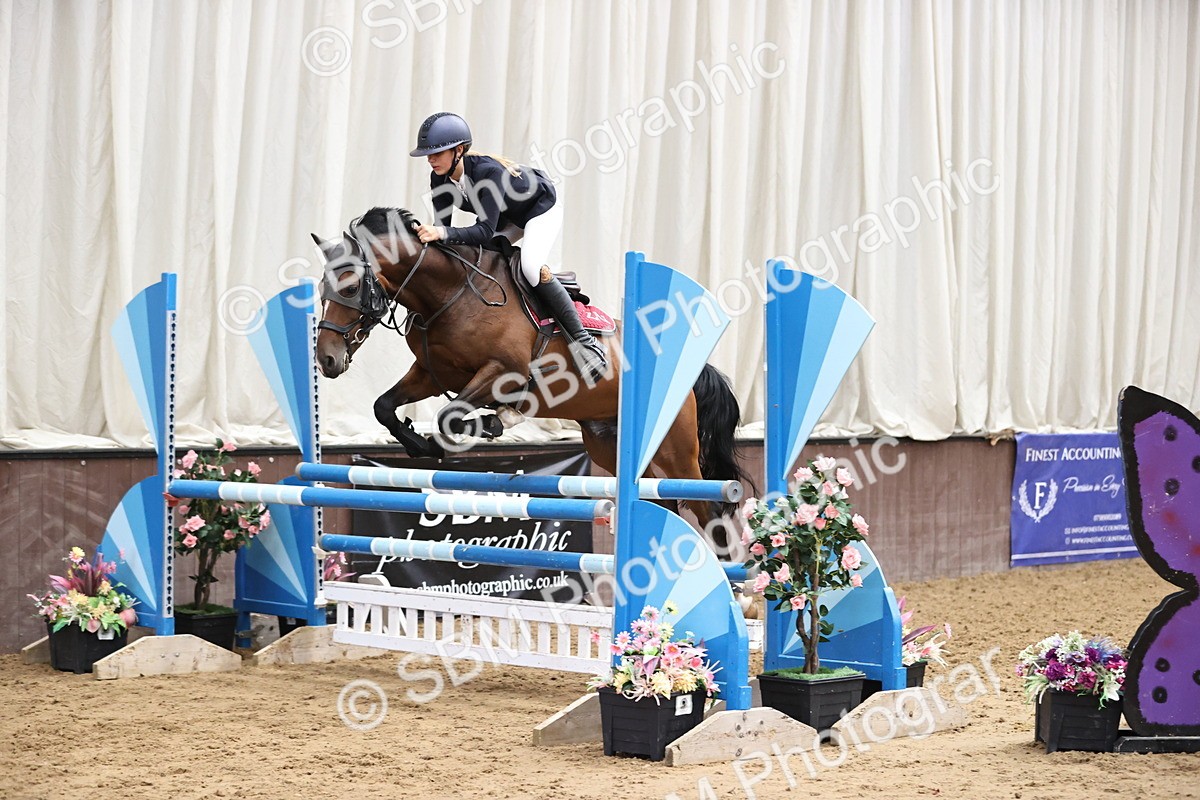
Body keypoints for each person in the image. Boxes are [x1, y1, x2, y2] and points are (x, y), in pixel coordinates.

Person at [408, 111, 608, 382]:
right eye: (428, 155)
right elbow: (443, 232)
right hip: (509, 216)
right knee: (480, 258)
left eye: (437, 153)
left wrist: (440, 232)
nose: (430, 160)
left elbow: (482, 230)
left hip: (539, 210)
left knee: (530, 266)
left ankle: (585, 344)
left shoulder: (487, 173)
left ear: (458, 150)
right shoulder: (439, 180)